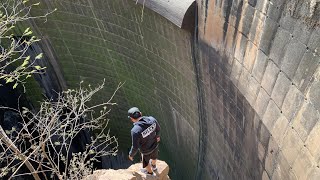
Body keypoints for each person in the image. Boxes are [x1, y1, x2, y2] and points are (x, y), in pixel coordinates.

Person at [128, 107, 160, 175]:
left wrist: (131, 155)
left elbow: (135, 147)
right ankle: (154, 167)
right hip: (155, 145)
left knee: (145, 162)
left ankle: (150, 172)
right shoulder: (152, 119)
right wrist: (157, 136)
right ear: (141, 113)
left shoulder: (135, 130)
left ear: (131, 119)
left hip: (145, 150)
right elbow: (158, 129)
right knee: (154, 156)